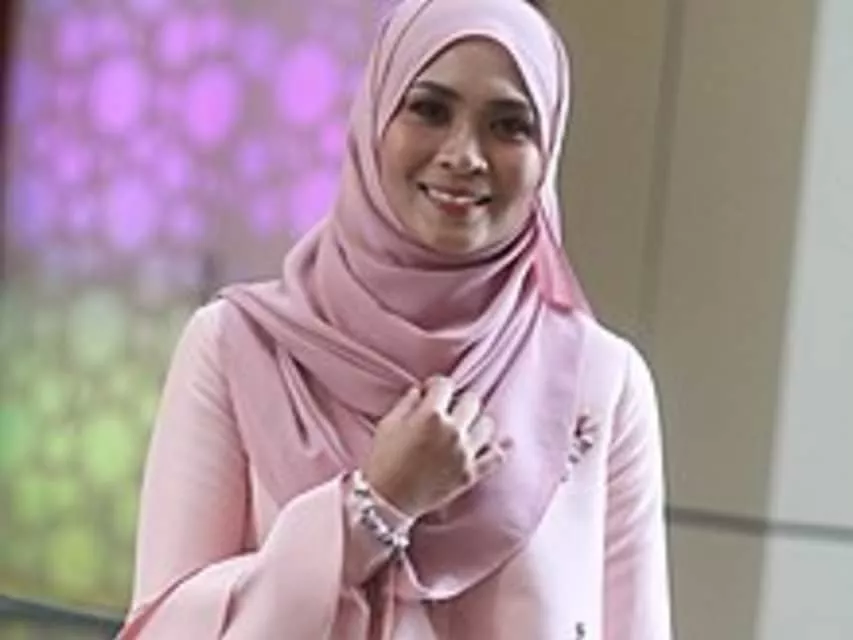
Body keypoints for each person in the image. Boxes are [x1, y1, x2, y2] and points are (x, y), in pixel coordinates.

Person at [118, 0, 671, 638]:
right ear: (374, 119)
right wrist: (373, 507)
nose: (464, 155)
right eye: (430, 110)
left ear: (548, 151)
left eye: (509, 125)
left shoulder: (601, 382)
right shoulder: (237, 347)